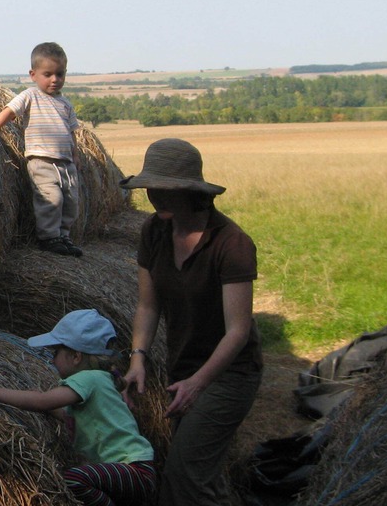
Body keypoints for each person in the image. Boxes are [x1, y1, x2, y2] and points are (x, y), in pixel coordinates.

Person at [120, 138, 262, 505]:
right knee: (200, 475)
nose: (155, 196)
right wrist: (138, 358)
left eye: (166, 188)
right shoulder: (153, 232)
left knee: (184, 475)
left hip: (229, 373)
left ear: (190, 190)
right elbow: (148, 306)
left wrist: (198, 383)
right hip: (182, 368)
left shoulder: (231, 244)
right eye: (151, 187)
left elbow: (238, 331)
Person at [0, 309, 157, 506]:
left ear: (76, 356)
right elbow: (64, 414)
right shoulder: (99, 381)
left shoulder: (88, 379)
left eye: (56, 352)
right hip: (130, 471)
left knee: (73, 480)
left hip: (133, 469)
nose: (52, 360)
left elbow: (42, 401)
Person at [0, 42, 83, 257]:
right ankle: (48, 237)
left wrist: (75, 155)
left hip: (66, 163)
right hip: (41, 160)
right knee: (51, 199)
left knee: (71, 202)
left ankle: (64, 236)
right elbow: (9, 111)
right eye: (48, 74)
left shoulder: (65, 104)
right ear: (33, 75)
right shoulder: (30, 95)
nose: (55, 79)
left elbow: (71, 131)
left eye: (60, 74)